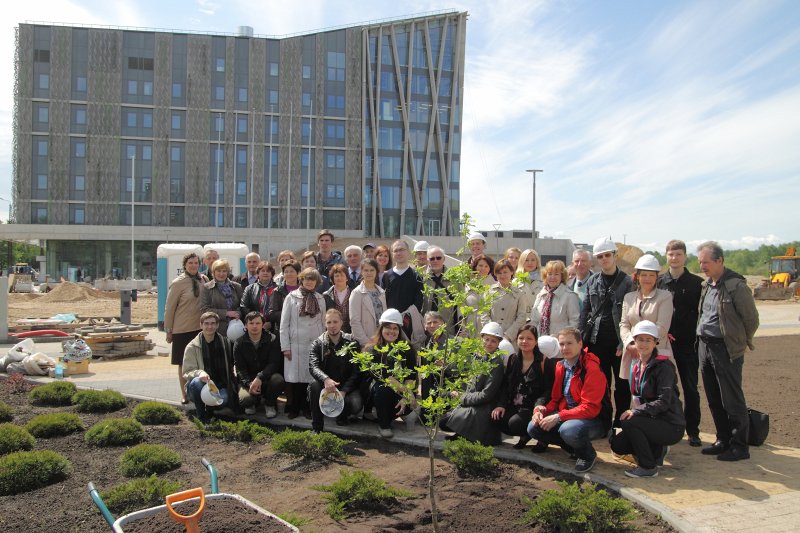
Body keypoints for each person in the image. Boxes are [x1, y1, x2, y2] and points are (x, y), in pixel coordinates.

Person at [696, 241, 759, 461]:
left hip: (726, 349)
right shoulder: (707, 286)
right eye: (700, 262)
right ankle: (723, 440)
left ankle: (739, 446)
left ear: (720, 260)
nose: (702, 266)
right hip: (705, 346)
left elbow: (751, 319)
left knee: (732, 399)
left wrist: (739, 341)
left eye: (706, 262)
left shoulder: (735, 286)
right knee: (713, 397)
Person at [528, 327, 612, 473]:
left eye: (569, 343)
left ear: (580, 344)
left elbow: (590, 408)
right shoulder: (561, 366)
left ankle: (586, 455)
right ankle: (574, 448)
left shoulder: (591, 369)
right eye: (561, 344)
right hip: (570, 415)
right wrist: (541, 410)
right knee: (533, 427)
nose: (565, 348)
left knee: (569, 430)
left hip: (595, 419)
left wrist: (559, 416)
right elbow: (556, 399)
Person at [610, 321, 686, 478]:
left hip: (670, 423)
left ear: (655, 342)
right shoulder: (636, 364)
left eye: (648, 340)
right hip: (651, 419)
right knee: (618, 445)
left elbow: (664, 401)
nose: (643, 344)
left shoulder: (664, 367)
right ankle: (656, 450)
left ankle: (648, 466)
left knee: (629, 420)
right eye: (640, 339)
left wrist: (636, 411)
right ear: (634, 340)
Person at [579, 237, 632, 426]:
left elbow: (630, 315)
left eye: (607, 255)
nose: (604, 259)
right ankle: (603, 418)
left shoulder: (627, 282)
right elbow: (585, 310)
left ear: (615, 256)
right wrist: (581, 337)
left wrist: (624, 342)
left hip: (618, 343)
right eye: (600, 256)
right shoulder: (593, 281)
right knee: (601, 384)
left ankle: (620, 420)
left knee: (622, 384)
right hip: (596, 341)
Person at [658, 239, 703, 447]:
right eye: (670, 254)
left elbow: (700, 314)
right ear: (666, 256)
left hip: (686, 344)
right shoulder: (660, 282)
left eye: (678, 254)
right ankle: (666, 424)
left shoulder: (696, 284)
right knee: (663, 386)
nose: (674, 258)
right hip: (662, 343)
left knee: (690, 387)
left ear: (685, 256)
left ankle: (693, 430)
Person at [440, 322, 505, 445]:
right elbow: (465, 377)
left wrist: (462, 397)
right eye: (486, 339)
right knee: (443, 422)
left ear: (498, 343)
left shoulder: (496, 363)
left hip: (483, 407)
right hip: (472, 402)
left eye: (493, 341)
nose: (489, 343)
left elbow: (486, 395)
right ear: (481, 339)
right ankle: (463, 432)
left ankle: (467, 435)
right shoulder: (477, 356)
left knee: (449, 421)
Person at [491, 324, 552, 449]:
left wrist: (539, 406)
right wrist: (501, 405)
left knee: (515, 423)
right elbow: (506, 384)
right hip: (516, 404)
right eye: (521, 338)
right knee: (496, 418)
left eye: (529, 338)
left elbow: (548, 389)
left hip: (534, 407)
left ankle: (542, 437)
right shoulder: (513, 359)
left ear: (536, 341)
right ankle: (525, 435)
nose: (524, 341)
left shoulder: (544, 362)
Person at [619, 254, 673, 392]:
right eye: (644, 275)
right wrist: (631, 343)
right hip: (633, 353)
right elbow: (624, 324)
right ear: (637, 276)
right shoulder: (629, 297)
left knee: (657, 392)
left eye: (651, 275)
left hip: (656, 351)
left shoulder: (665, 297)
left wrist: (645, 344)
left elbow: (662, 327)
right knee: (636, 392)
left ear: (657, 277)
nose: (647, 279)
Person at [362, 309, 418, 438]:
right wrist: (407, 393)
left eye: (395, 328)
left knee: (407, 404)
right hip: (379, 391)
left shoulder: (407, 348)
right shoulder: (372, 349)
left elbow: (411, 375)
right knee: (384, 389)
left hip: (401, 391)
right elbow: (385, 377)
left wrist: (406, 396)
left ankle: (399, 413)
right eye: (388, 328)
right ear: (381, 329)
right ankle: (384, 424)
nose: (392, 332)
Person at [280, 267, 327, 419]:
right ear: (301, 279)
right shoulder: (291, 297)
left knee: (310, 379)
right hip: (295, 345)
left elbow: (323, 323)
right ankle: (294, 408)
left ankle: (308, 409)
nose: (309, 282)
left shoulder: (320, 298)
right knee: (295, 381)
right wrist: (285, 347)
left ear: (317, 282)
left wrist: (323, 345)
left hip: (314, 344)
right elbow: (284, 324)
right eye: (307, 278)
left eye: (312, 279)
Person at [309, 309, 363, 432]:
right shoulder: (318, 344)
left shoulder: (352, 343)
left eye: (335, 322)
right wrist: (326, 379)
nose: (332, 326)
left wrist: (344, 390)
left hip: (345, 387)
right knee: (314, 386)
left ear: (341, 323)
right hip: (326, 386)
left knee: (355, 403)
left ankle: (342, 416)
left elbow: (357, 372)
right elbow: (313, 366)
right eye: (329, 322)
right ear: (325, 324)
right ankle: (317, 428)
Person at [183, 312, 237, 423]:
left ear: (217, 325)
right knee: (197, 382)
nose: (210, 327)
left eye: (213, 323)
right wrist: (200, 373)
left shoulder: (226, 343)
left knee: (224, 399)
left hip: (219, 386)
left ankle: (211, 409)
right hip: (200, 386)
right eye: (206, 323)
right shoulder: (192, 347)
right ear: (201, 325)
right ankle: (202, 416)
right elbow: (186, 372)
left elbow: (232, 365)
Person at [164, 251, 203, 404]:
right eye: (190, 263)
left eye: (196, 263)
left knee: (199, 362)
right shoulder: (178, 283)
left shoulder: (203, 279)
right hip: (182, 329)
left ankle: (198, 393)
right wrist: (169, 330)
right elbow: (170, 308)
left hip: (199, 328)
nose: (193, 266)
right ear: (185, 265)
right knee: (183, 363)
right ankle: (185, 394)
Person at [233, 311, 285, 418]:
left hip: (267, 378)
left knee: (278, 380)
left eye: (258, 323)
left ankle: (269, 404)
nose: (254, 326)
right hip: (249, 380)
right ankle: (253, 402)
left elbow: (273, 364)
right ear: (246, 325)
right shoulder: (239, 343)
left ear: (263, 325)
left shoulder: (272, 339)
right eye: (251, 323)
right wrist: (248, 383)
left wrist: (260, 377)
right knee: (245, 400)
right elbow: (240, 369)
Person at [382, 240, 424, 338]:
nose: (398, 253)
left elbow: (419, 301)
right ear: (392, 254)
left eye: (401, 250)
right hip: (390, 323)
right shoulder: (387, 276)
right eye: (395, 251)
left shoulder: (417, 276)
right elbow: (383, 300)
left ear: (408, 252)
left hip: (409, 323)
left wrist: (406, 317)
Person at [481, 259, 527, 345]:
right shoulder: (488, 292)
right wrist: (492, 333)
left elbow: (521, 317)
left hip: (511, 339)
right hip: (491, 339)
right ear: (495, 274)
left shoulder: (519, 293)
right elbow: (484, 314)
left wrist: (508, 335)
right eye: (499, 273)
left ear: (512, 272)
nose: (502, 275)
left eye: (505, 272)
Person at [531, 260, 581, 336]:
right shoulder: (541, 295)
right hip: (540, 341)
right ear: (545, 276)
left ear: (562, 276)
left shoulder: (570, 296)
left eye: (556, 274)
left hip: (560, 343)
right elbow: (534, 320)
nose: (552, 277)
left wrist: (560, 338)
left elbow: (574, 322)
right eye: (549, 274)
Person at [200, 259, 244, 336]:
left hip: (235, 329)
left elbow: (242, 306)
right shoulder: (207, 288)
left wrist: (238, 313)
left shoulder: (237, 286)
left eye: (224, 271)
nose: (221, 274)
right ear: (213, 272)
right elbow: (205, 309)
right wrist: (226, 313)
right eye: (218, 271)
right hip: (215, 329)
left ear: (228, 272)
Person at [421, 245, 458, 336]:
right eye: (432, 258)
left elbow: (460, 305)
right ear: (427, 260)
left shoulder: (455, 279)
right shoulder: (421, 279)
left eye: (438, 258)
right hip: (427, 330)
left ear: (444, 259)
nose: (435, 261)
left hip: (449, 330)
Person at [349, 258, 387, 347]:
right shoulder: (357, 293)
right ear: (361, 272)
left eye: (372, 270)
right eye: (366, 270)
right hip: (366, 341)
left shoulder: (381, 292)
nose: (369, 273)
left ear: (376, 272)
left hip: (382, 339)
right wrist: (366, 342)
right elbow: (354, 321)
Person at [239, 261, 277, 331]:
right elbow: (244, 307)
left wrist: (270, 322)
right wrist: (257, 321)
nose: (265, 273)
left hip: (274, 327)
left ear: (272, 274)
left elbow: (280, 309)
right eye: (262, 271)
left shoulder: (278, 289)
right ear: (258, 273)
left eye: (268, 271)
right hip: (254, 326)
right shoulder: (249, 288)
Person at [267, 261, 301, 335]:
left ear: (298, 273)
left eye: (292, 271)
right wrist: (289, 313)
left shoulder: (304, 290)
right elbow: (271, 314)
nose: (289, 274)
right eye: (286, 272)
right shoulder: (277, 291)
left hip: (301, 330)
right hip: (282, 331)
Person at [324, 264, 352, 333]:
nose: (339, 278)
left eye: (342, 275)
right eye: (336, 276)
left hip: (351, 332)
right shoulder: (326, 296)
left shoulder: (355, 294)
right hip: (332, 332)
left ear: (347, 278)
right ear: (332, 279)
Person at [516, 249, 544, 314]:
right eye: (526, 260)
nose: (530, 263)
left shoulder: (545, 279)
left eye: (533, 260)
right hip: (523, 319)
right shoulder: (516, 281)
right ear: (522, 262)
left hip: (540, 318)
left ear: (537, 262)